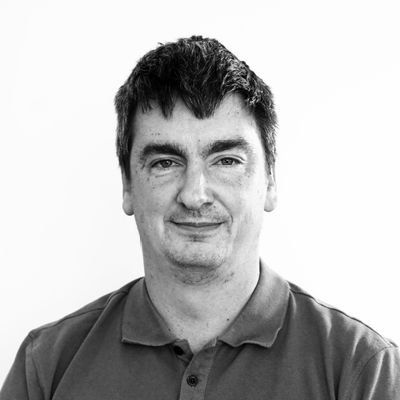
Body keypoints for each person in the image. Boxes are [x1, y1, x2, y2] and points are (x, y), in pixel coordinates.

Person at [1, 35, 399, 400]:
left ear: (270, 181)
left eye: (226, 160)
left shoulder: (362, 370)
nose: (195, 195)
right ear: (127, 186)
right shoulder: (47, 367)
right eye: (165, 162)